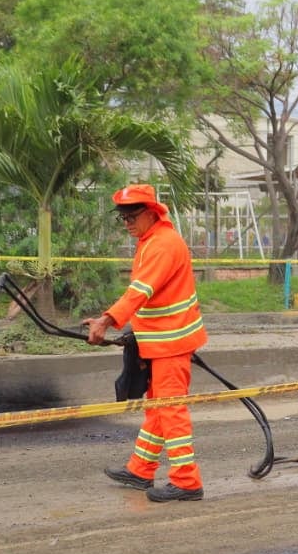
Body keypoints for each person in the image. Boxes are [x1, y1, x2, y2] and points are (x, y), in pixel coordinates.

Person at [84, 184, 209, 503]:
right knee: (158, 409)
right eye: (122, 217)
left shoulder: (162, 245)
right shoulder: (150, 240)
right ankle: (141, 469)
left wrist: (107, 320)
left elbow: (140, 291)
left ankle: (187, 481)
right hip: (162, 341)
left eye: (132, 215)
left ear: (153, 212)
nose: (126, 222)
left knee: (169, 409)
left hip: (172, 343)